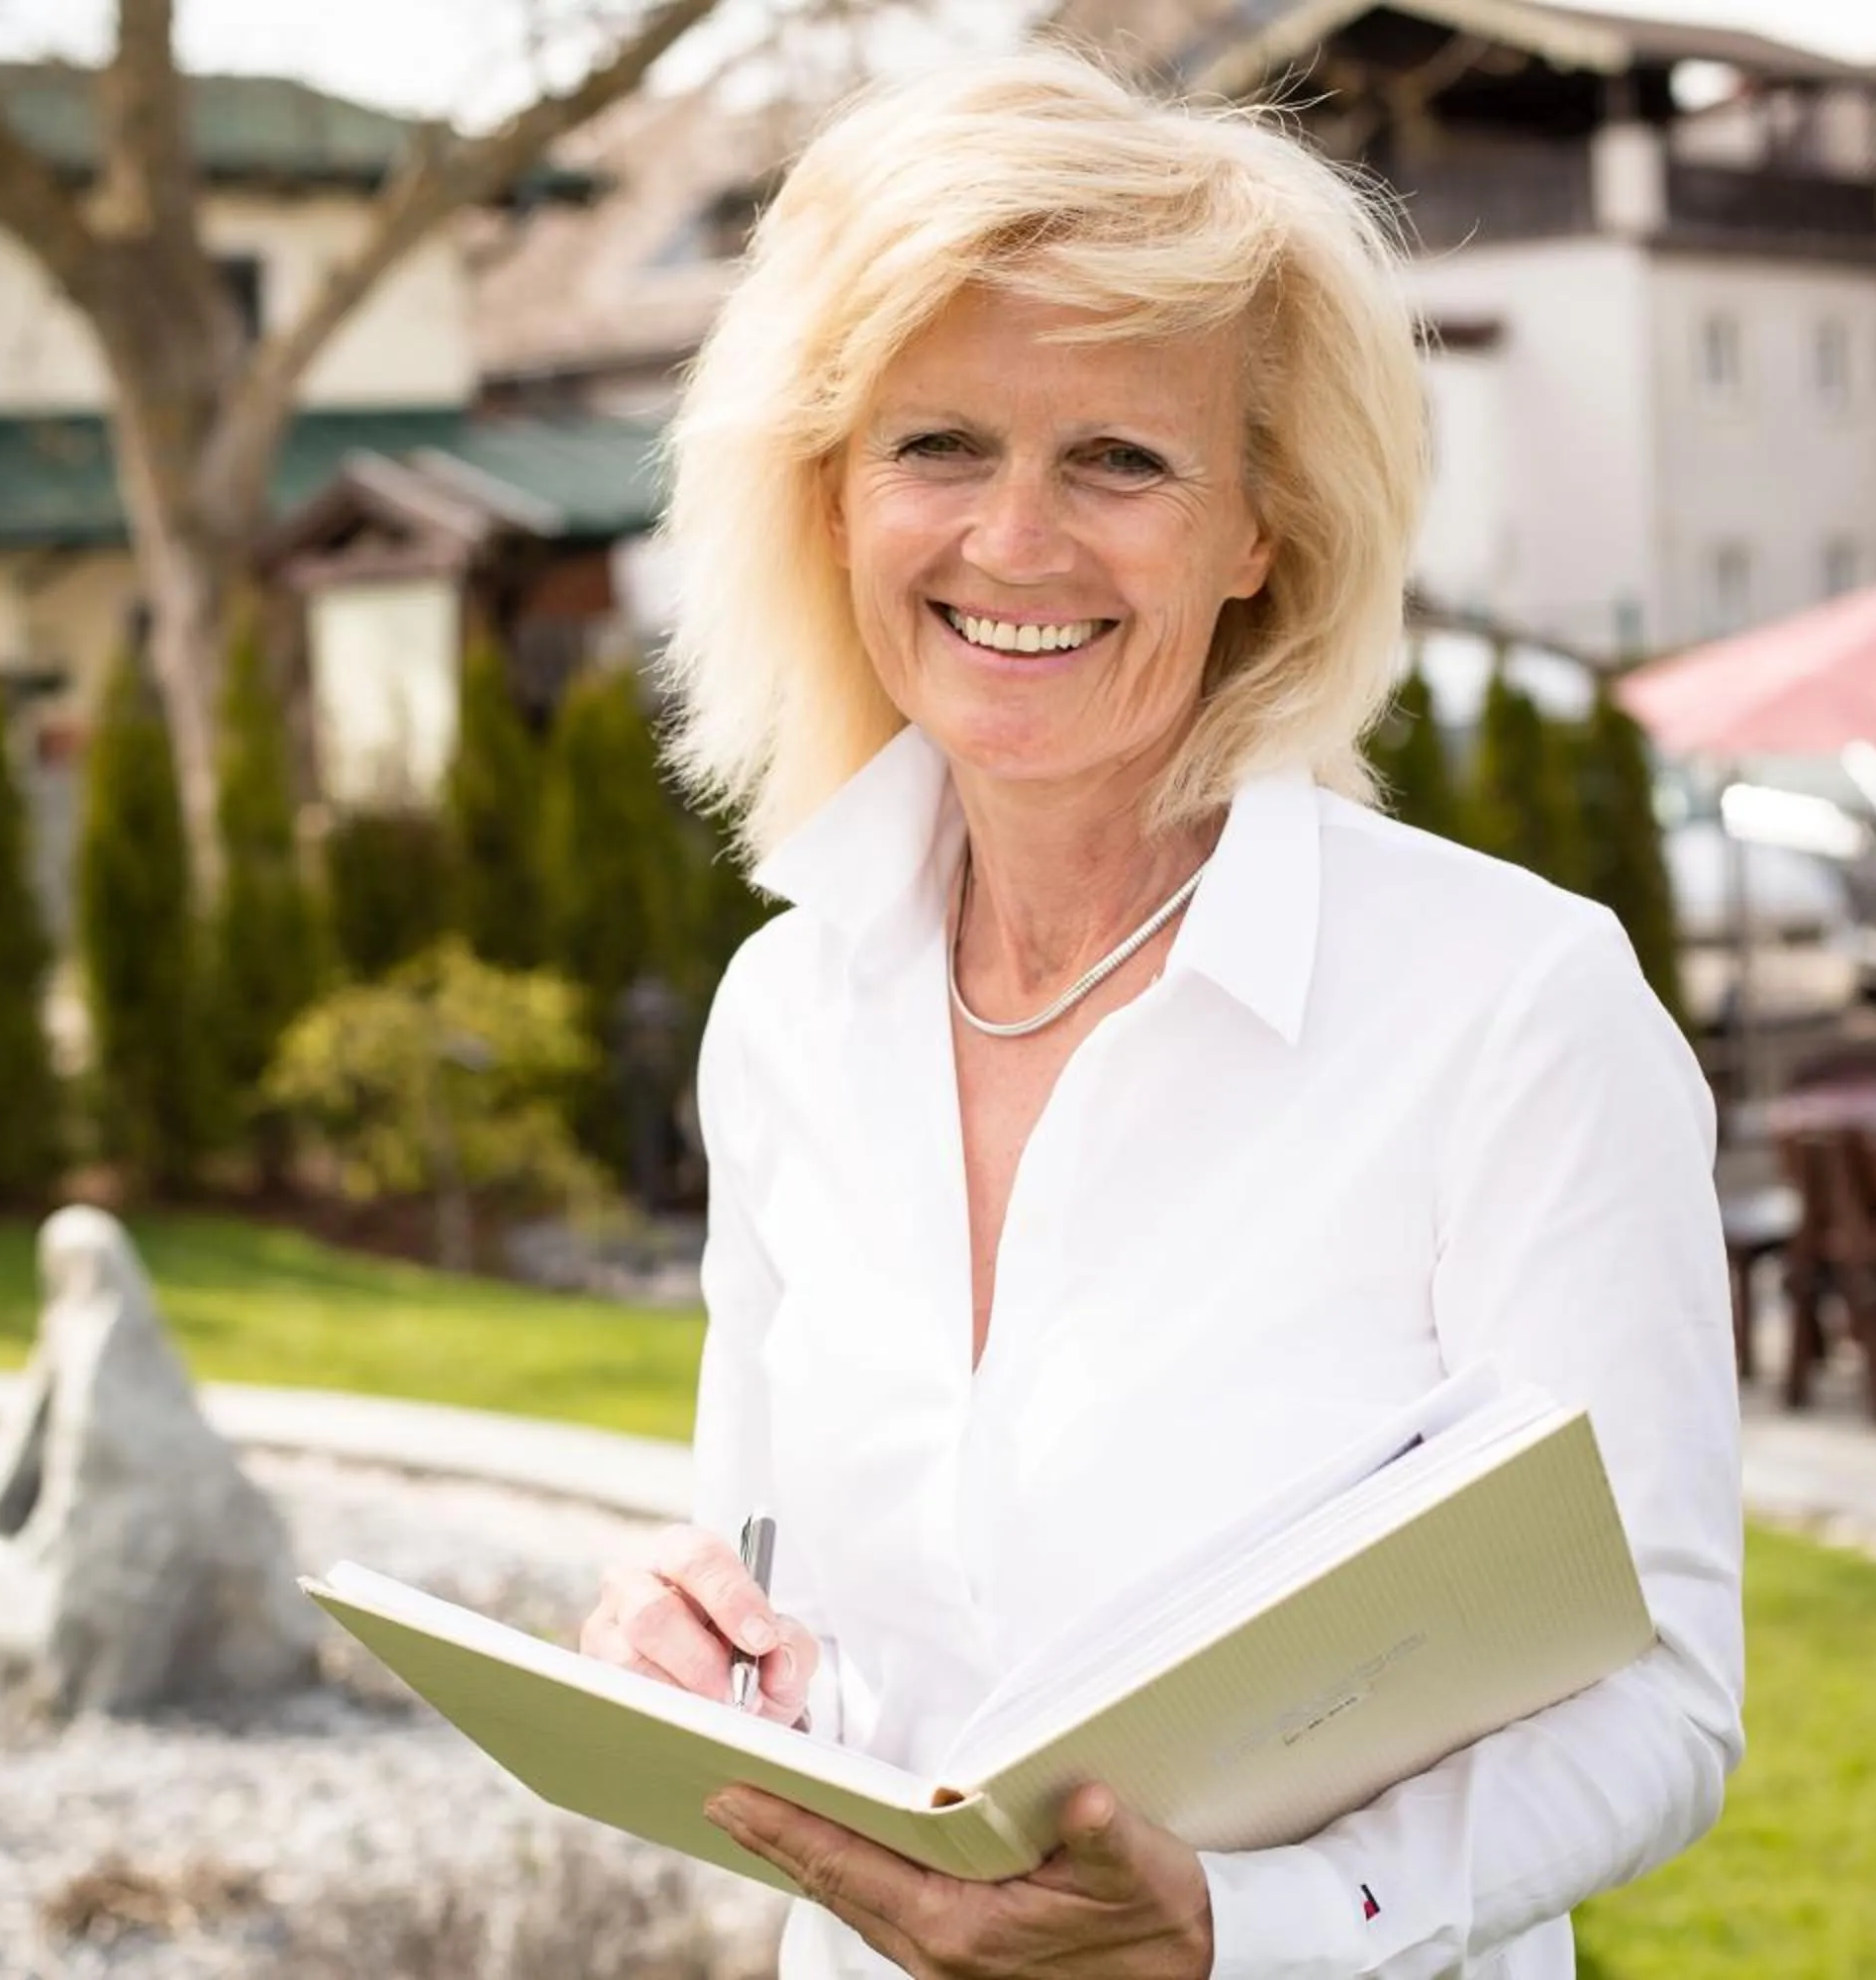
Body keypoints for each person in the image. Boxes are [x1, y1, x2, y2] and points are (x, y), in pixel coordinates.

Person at [578, 47, 1743, 1980]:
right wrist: (688, 1650)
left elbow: (1658, 1704)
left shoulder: (1513, 1011)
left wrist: (1251, 1928)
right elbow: (790, 1597)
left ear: (1261, 528)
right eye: (936, 444)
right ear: (832, 492)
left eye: (1117, 458)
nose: (1013, 541)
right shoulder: (785, 1005)